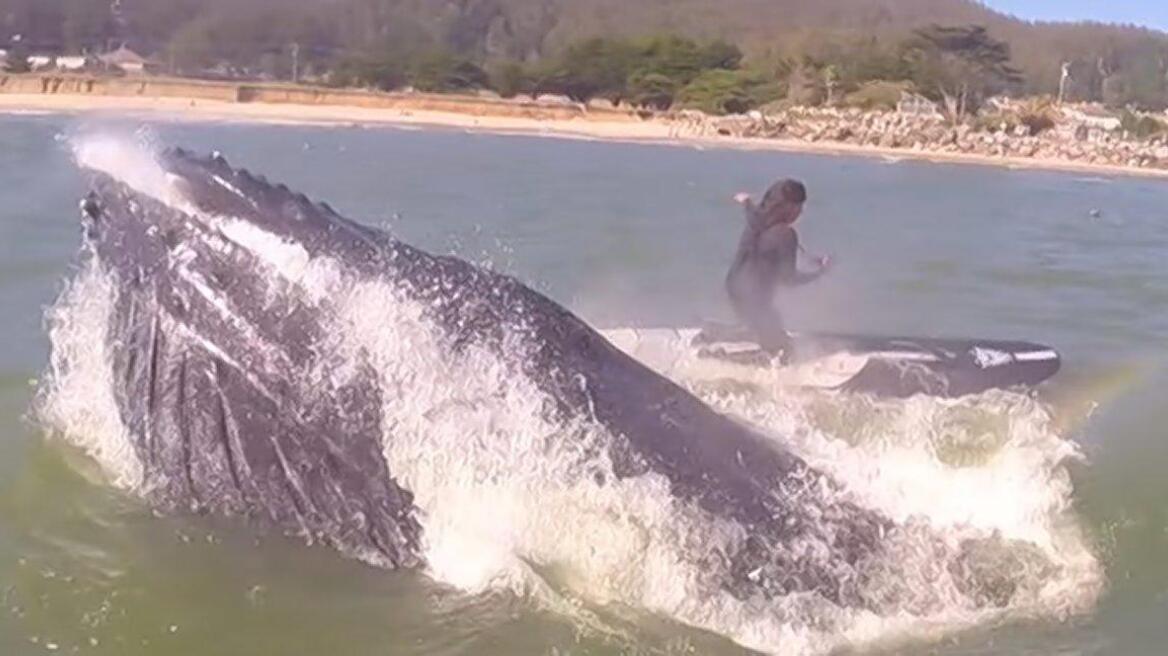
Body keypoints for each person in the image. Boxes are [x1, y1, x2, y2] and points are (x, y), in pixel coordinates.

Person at [723, 178, 831, 362]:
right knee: (783, 352)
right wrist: (819, 274)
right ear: (789, 208)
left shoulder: (756, 221)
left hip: (735, 289)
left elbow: (750, 210)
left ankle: (722, 344)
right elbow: (789, 280)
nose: (801, 212)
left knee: (769, 336)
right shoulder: (785, 234)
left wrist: (746, 201)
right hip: (755, 299)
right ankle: (719, 361)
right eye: (799, 207)